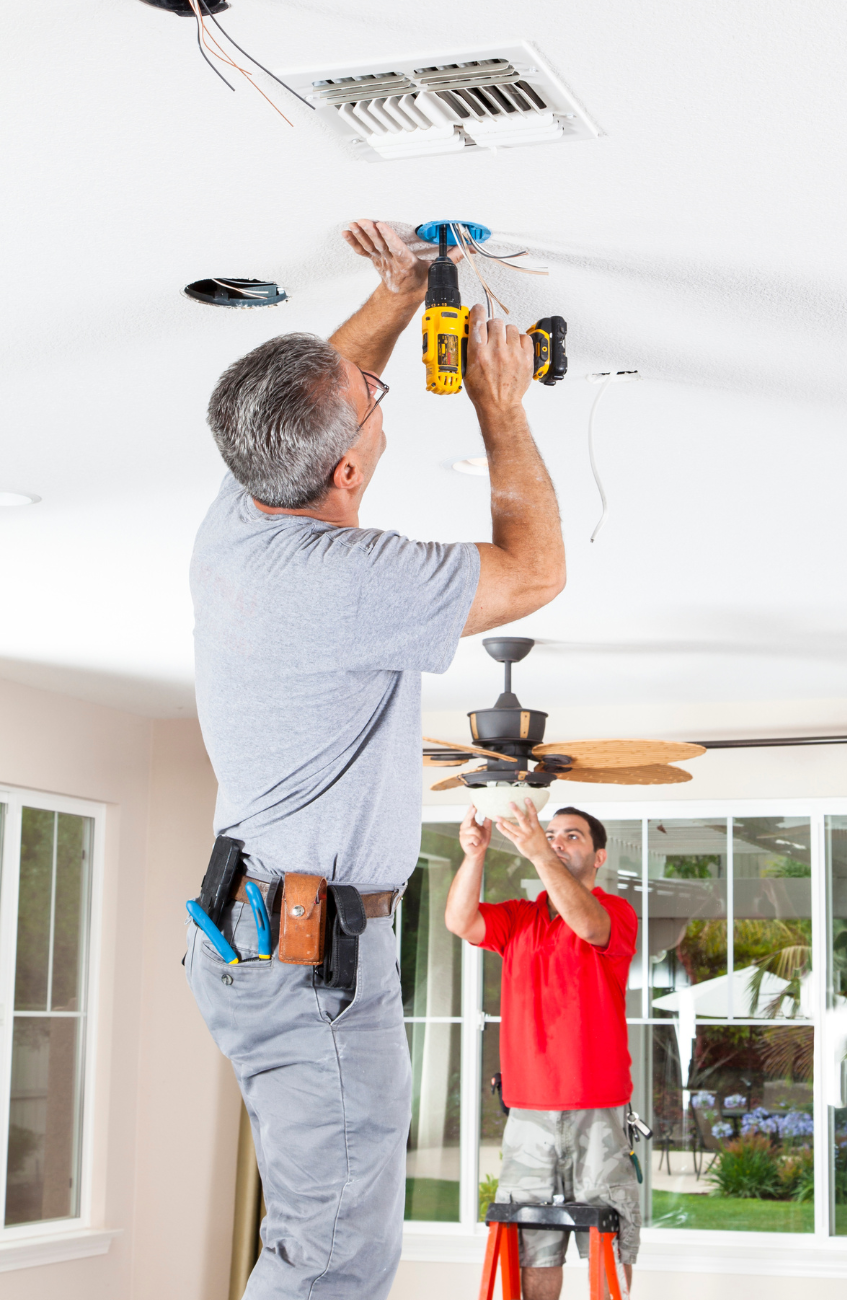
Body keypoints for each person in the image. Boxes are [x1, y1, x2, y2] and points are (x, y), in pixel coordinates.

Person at [186, 219, 565, 1300]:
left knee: (322, 1240)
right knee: (334, 1257)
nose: (370, 390)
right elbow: (533, 573)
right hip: (307, 964)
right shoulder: (342, 580)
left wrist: (401, 292)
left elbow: (320, 399)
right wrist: (501, 406)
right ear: (347, 468)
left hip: (270, 939)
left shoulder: (241, 514)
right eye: (370, 399)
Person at [445, 801, 642, 1300]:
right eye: (551, 834)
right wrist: (474, 855)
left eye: (572, 836)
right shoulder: (518, 919)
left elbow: (589, 926)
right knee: (532, 1248)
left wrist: (539, 856)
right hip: (527, 1115)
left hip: (597, 1109)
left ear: (599, 856)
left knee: (609, 1243)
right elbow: (459, 920)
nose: (556, 841)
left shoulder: (613, 912)